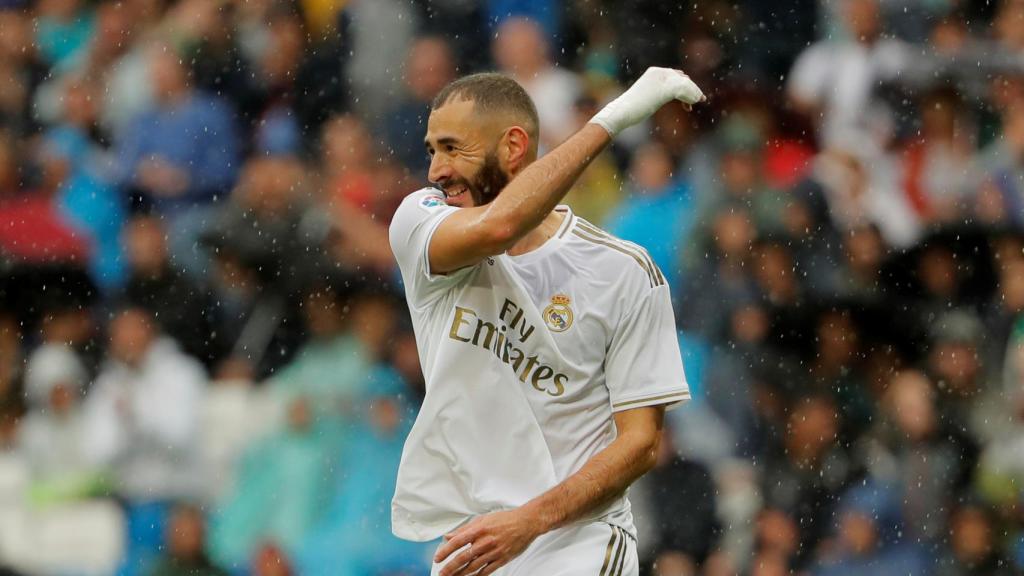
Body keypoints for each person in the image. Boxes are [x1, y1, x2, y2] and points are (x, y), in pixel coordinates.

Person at [388, 67, 704, 575]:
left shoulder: (624, 272)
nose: (436, 171)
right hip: (475, 545)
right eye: (431, 150)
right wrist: (613, 119)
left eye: (452, 148)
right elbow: (502, 224)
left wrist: (529, 521)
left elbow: (641, 444)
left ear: (514, 146)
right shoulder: (418, 221)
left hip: (579, 543)